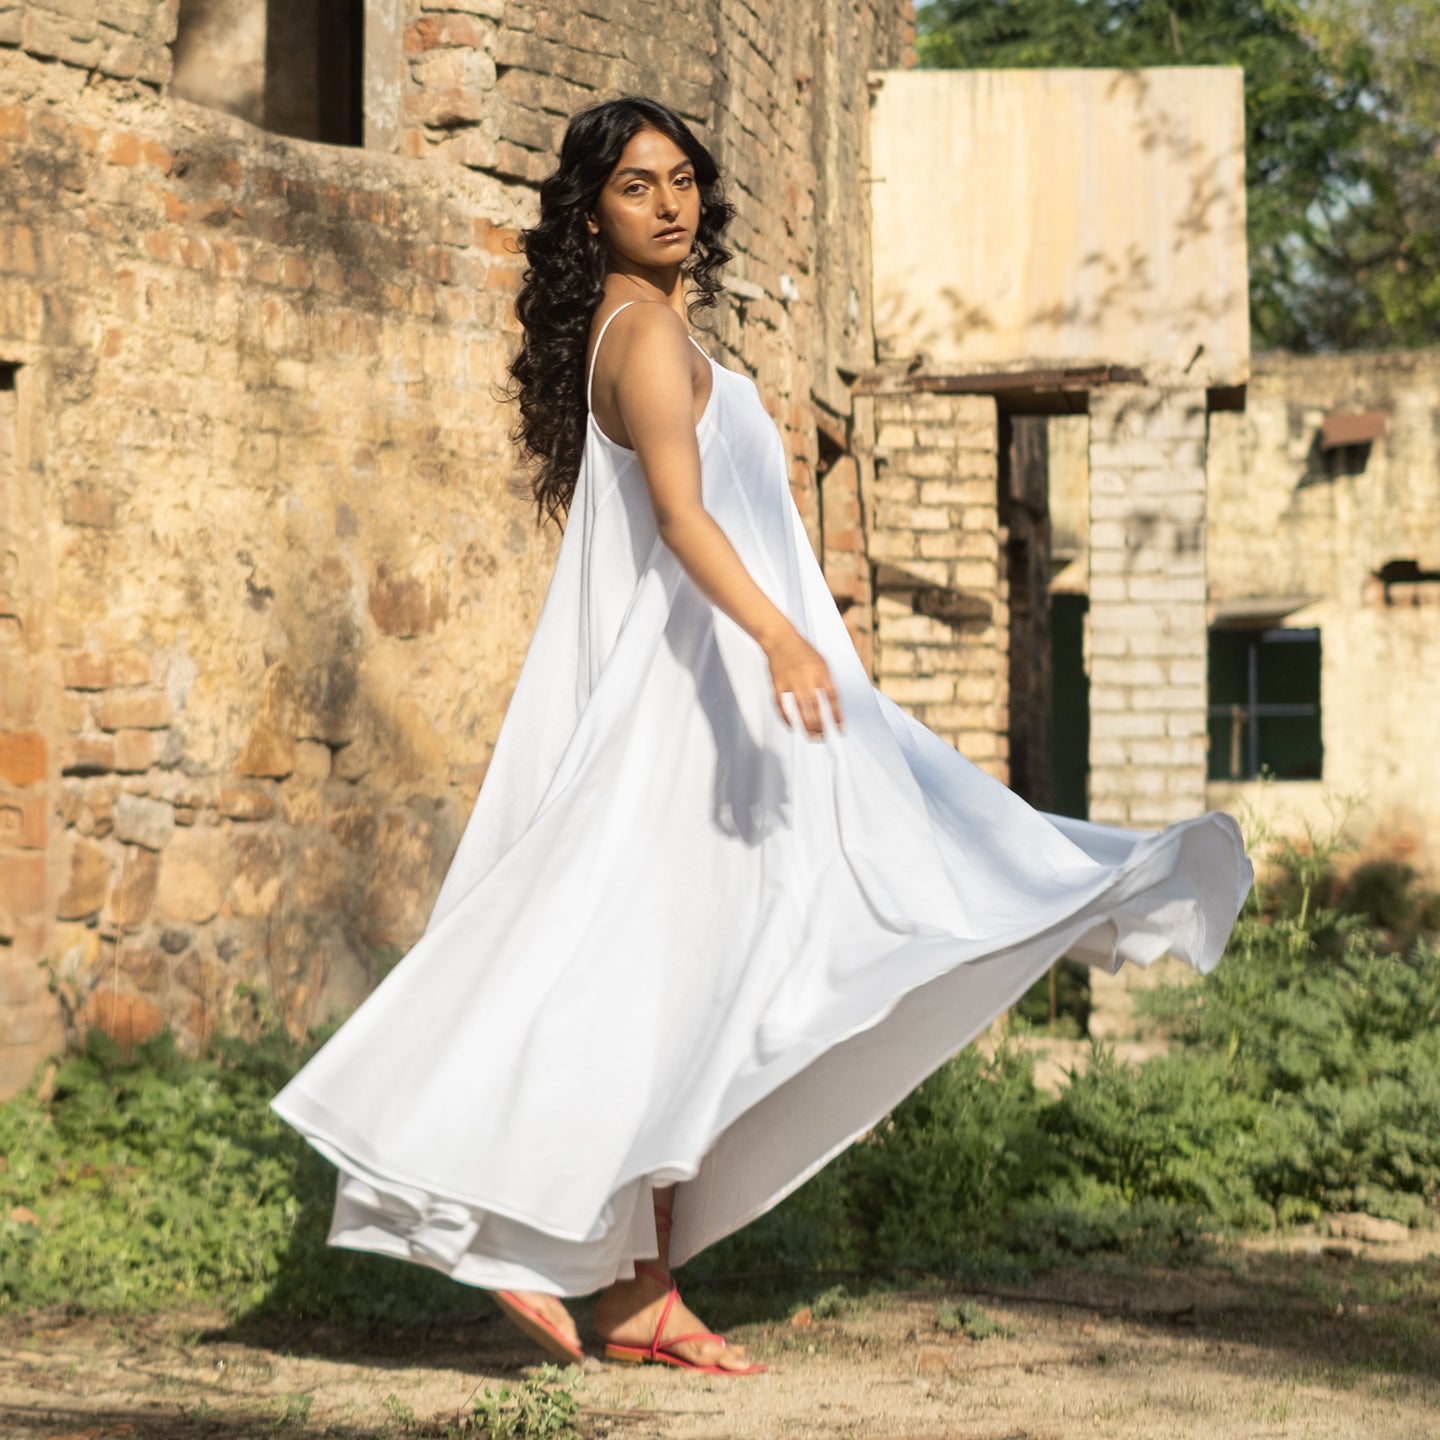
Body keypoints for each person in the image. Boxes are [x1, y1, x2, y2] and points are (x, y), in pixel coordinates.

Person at [272, 96, 1252, 1377]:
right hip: (700, 707)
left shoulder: (657, 330)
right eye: (636, 185)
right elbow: (682, 519)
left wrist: (793, 629)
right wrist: (784, 638)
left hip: (719, 707)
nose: (669, 202)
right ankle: (525, 1232)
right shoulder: (642, 343)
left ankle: (628, 1285)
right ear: (592, 213)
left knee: (698, 973)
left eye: (682, 179)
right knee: (709, 955)